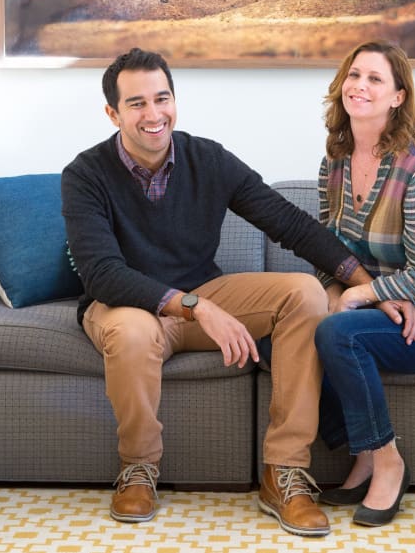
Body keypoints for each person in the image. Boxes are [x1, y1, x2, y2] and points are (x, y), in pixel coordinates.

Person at [61, 47, 379, 537]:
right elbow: (102, 272)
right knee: (131, 333)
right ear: (113, 113)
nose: (154, 114)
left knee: (304, 294)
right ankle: (138, 469)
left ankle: (284, 473)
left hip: (202, 293)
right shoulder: (84, 174)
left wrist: (368, 284)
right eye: (137, 103)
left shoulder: (206, 158)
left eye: (162, 98)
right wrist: (194, 306)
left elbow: (288, 222)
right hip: (127, 307)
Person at [312, 40, 415, 527]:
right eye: (354, 75)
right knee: (291, 330)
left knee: (334, 333)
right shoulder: (335, 162)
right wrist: (333, 295)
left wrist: (363, 296)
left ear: (398, 97)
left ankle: (388, 460)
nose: (359, 86)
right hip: (381, 310)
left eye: (375, 79)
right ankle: (362, 455)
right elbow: (329, 251)